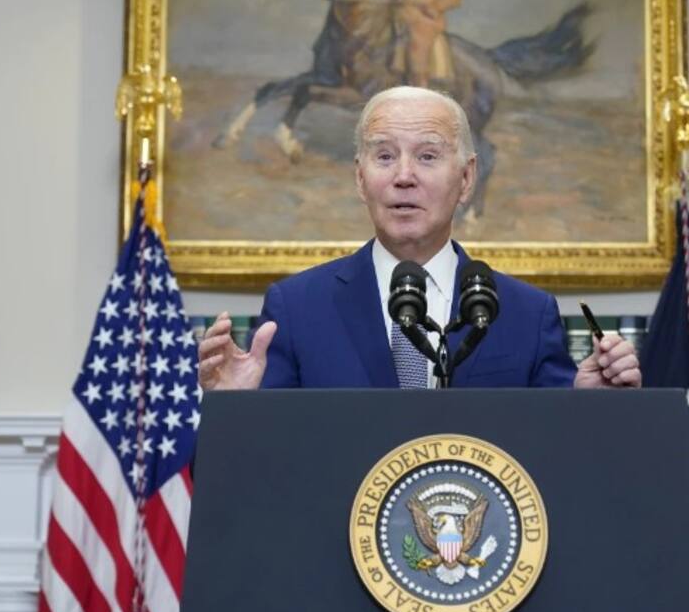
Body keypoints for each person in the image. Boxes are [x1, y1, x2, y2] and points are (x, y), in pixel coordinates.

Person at [197, 86, 642, 392]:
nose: (403, 177)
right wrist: (234, 408)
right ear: (360, 177)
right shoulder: (296, 308)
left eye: (427, 156)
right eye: (384, 156)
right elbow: (258, 478)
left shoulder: (526, 313)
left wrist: (589, 404)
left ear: (466, 178)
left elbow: (555, 463)